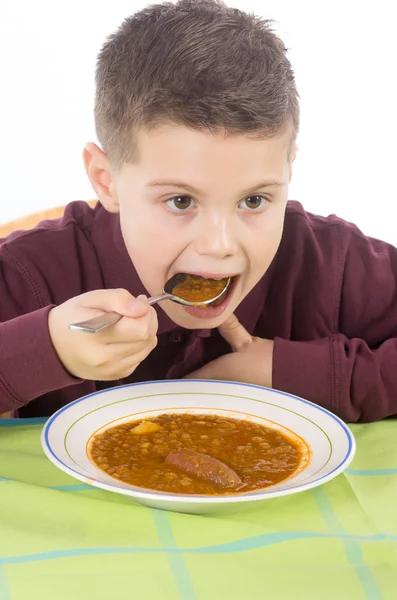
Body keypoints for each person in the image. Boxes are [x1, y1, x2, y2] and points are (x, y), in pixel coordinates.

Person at [1, 0, 396, 423]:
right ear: (105, 179)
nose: (219, 246)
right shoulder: (31, 273)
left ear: (288, 171)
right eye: (181, 201)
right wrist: (43, 351)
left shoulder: (329, 263)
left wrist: (291, 373)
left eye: (254, 201)